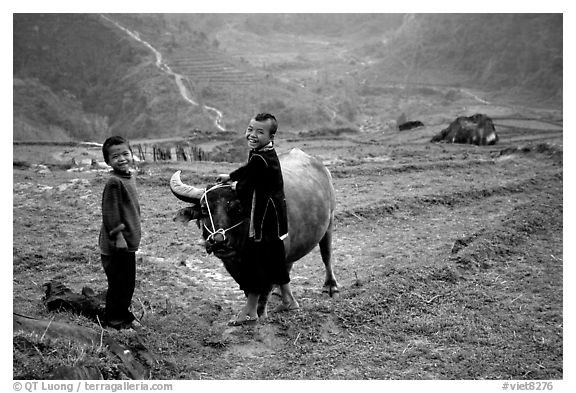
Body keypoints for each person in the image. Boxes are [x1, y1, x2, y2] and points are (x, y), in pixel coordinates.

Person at [217, 113, 299, 326]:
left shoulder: (260, 158)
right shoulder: (264, 152)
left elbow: (248, 184)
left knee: (255, 261)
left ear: (271, 136)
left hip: (263, 219)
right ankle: (288, 299)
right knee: (275, 256)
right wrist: (232, 176)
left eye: (259, 132)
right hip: (275, 216)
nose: (252, 135)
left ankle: (250, 310)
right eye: (250, 129)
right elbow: (249, 170)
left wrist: (235, 186)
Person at [99, 136, 142, 330]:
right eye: (115, 156)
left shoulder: (128, 177)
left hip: (128, 243)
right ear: (108, 161)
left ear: (132, 155)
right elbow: (110, 212)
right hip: (117, 244)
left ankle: (123, 314)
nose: (122, 158)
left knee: (127, 283)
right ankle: (114, 319)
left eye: (125, 153)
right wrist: (118, 236)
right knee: (118, 283)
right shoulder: (114, 182)